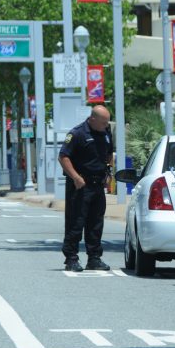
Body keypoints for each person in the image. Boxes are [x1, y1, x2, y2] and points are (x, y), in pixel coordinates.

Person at [58, 105, 114, 272]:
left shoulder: (106, 132)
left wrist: (108, 171)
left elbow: (109, 153)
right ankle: (71, 258)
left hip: (98, 184)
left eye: (107, 122)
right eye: (103, 122)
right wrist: (75, 177)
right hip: (80, 184)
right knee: (76, 222)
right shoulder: (78, 133)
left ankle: (94, 258)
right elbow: (63, 156)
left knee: (96, 223)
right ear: (92, 119)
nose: (106, 125)